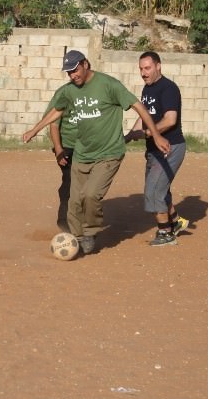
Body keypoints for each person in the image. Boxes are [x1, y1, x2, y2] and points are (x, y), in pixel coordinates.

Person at [23, 50, 170, 254]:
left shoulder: (108, 85)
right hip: (83, 153)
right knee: (74, 201)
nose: (73, 75)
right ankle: (77, 237)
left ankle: (90, 232)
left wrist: (155, 134)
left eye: (75, 70)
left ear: (85, 64)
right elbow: (57, 110)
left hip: (109, 152)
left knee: (91, 195)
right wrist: (34, 129)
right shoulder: (69, 91)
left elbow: (138, 106)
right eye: (68, 73)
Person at [125, 51, 188, 246]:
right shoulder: (147, 89)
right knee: (160, 188)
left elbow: (170, 120)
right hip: (154, 149)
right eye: (141, 69)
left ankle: (165, 233)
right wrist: (128, 136)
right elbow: (145, 116)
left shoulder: (168, 89)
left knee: (154, 190)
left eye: (147, 68)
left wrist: (147, 133)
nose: (144, 73)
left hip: (170, 147)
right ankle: (176, 222)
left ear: (158, 66)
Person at [45, 86, 78, 231]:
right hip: (68, 147)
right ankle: (64, 222)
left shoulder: (97, 92)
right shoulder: (63, 93)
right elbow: (53, 124)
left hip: (91, 149)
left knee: (88, 187)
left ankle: (83, 222)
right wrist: (58, 149)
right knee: (69, 181)